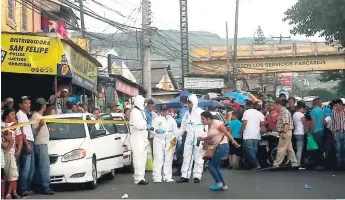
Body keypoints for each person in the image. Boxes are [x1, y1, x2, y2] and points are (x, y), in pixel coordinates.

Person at [198, 111, 240, 191]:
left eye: (203, 119)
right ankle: (223, 185)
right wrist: (203, 139)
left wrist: (234, 141)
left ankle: (219, 183)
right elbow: (212, 136)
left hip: (222, 146)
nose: (201, 120)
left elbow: (226, 132)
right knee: (215, 166)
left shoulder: (217, 123)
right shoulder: (209, 125)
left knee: (210, 166)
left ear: (208, 118)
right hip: (216, 147)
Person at [173, 94, 206, 183]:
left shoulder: (201, 112)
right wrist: (176, 137)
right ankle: (185, 175)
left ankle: (197, 176)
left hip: (199, 137)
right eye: (188, 103)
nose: (188, 104)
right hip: (189, 136)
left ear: (194, 102)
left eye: (190, 103)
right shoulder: (187, 114)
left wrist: (206, 137)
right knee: (186, 156)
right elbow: (183, 127)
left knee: (198, 157)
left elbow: (206, 125)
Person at [31, 98, 54, 195]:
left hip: (42, 144)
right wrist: (40, 125)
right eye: (45, 105)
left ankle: (40, 185)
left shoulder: (39, 116)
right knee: (44, 167)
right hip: (40, 144)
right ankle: (45, 187)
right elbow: (34, 132)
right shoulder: (36, 116)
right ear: (43, 106)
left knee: (40, 167)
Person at [151, 104, 179, 183]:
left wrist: (176, 139)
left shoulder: (171, 120)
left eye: (166, 110)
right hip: (159, 140)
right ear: (160, 111)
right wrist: (156, 131)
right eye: (163, 111)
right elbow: (151, 129)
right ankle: (157, 177)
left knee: (169, 159)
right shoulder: (156, 119)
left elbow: (176, 131)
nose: (165, 112)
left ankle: (167, 176)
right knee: (158, 158)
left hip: (170, 140)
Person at [16, 96, 35, 197]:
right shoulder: (19, 114)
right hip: (26, 142)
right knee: (26, 168)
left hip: (30, 141)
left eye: (29, 103)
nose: (29, 105)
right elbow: (21, 131)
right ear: (21, 105)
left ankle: (27, 188)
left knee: (31, 169)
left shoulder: (25, 115)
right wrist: (26, 144)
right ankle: (23, 189)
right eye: (26, 103)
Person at [2, 108, 22, 199]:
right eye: (12, 114)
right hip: (1, 154)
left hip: (10, 153)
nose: (14, 116)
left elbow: (20, 139)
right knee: (4, 175)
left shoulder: (15, 125)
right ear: (7, 116)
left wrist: (18, 151)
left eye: (14, 114)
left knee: (12, 174)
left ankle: (10, 194)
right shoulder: (1, 125)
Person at [129, 95, 149, 185]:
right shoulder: (135, 112)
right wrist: (146, 126)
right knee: (138, 158)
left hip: (142, 138)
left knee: (142, 158)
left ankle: (141, 176)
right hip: (137, 138)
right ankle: (138, 178)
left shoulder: (140, 111)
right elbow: (137, 125)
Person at [273, 99, 298, 168]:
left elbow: (286, 123)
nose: (274, 107)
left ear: (279, 105)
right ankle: (294, 163)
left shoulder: (284, 112)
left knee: (281, 148)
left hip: (285, 131)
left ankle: (276, 164)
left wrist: (284, 132)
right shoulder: (283, 111)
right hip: (287, 131)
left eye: (275, 105)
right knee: (289, 149)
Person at [240, 100, 265, 170]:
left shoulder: (246, 112)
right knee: (253, 150)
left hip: (248, 134)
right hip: (256, 135)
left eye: (245, 105)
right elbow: (263, 123)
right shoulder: (259, 113)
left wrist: (241, 131)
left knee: (249, 151)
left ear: (247, 105)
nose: (244, 106)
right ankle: (252, 165)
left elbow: (244, 123)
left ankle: (256, 164)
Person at [173, 96, 188, 176]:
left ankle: (180, 170)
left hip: (183, 133)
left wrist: (173, 120)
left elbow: (181, 121)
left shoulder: (183, 110)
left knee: (180, 151)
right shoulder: (191, 109)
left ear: (181, 102)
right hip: (190, 132)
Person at [330, 99, 345, 170]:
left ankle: (343, 164)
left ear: (342, 105)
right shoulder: (334, 112)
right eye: (336, 106)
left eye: (338, 106)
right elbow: (332, 122)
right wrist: (333, 132)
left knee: (344, 149)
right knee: (338, 149)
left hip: (344, 132)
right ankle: (339, 164)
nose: (336, 107)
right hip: (337, 132)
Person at [292, 101, 308, 167]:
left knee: (297, 149)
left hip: (295, 132)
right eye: (303, 109)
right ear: (301, 108)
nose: (304, 110)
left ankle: (296, 162)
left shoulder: (294, 114)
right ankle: (298, 164)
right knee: (299, 150)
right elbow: (305, 124)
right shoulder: (301, 115)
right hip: (300, 133)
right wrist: (307, 130)